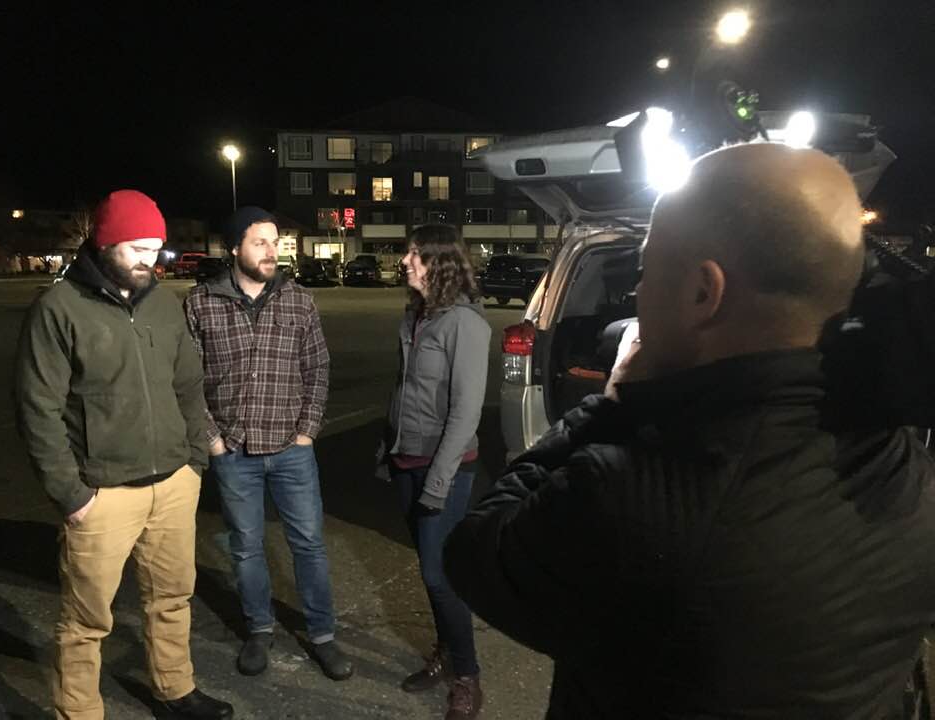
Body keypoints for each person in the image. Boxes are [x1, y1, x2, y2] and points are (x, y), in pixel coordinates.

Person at [443, 144, 935, 719]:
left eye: (648, 270)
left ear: (704, 293)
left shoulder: (632, 492)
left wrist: (611, 404)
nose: (636, 297)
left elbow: (476, 551)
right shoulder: (903, 461)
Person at [14, 189, 233, 720]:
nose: (149, 260)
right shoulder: (58, 308)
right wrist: (72, 493)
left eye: (156, 247)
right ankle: (80, 712)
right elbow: (37, 409)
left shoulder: (162, 303)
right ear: (105, 243)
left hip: (173, 485)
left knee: (173, 600)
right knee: (87, 622)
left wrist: (193, 462)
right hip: (102, 495)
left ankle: (174, 689)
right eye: (136, 247)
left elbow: (188, 384)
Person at [184, 207, 352, 681]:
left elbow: (317, 369)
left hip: (291, 449)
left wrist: (307, 431)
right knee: (246, 546)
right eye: (260, 242)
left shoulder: (298, 301)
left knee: (310, 545)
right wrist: (213, 440)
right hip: (234, 451)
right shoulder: (200, 304)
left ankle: (322, 634)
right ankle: (259, 629)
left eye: (275, 242)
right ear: (234, 247)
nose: (271, 251)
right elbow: (188, 381)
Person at [384, 224, 491, 720]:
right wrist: (388, 450)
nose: (406, 261)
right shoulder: (418, 315)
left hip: (442, 467)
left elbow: (466, 411)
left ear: (440, 262)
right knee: (430, 577)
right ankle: (446, 653)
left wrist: (439, 482)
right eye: (407, 253)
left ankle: (466, 676)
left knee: (439, 573)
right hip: (407, 461)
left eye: (414, 255)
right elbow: (404, 391)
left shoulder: (465, 324)